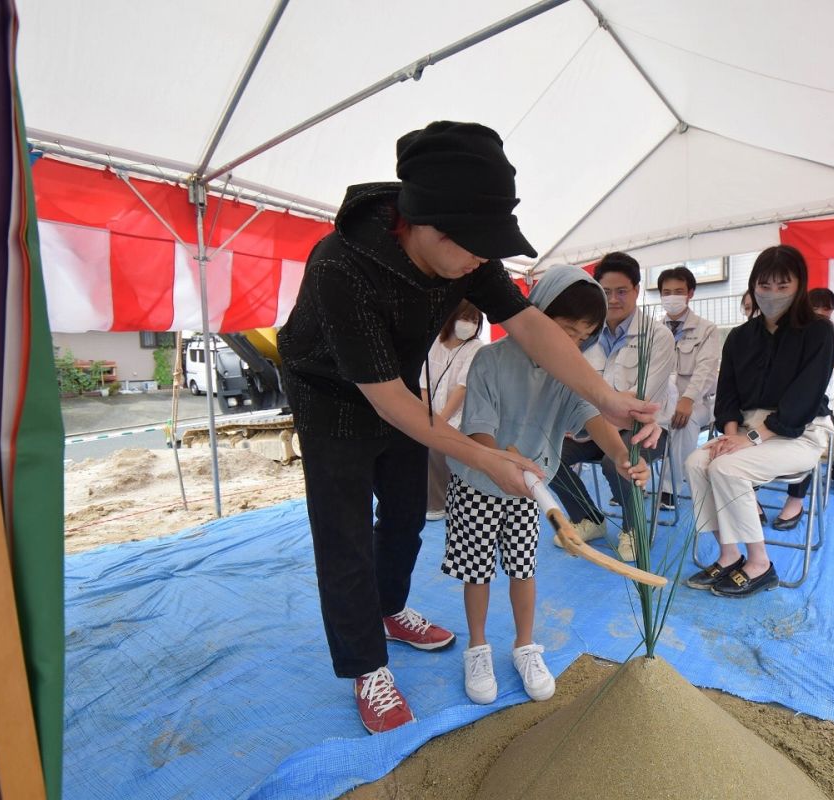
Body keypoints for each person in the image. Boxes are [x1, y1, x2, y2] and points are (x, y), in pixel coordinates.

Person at [277, 121, 659, 735]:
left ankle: (391, 607)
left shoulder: (465, 253)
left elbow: (531, 325)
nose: (484, 260)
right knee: (343, 530)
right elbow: (390, 404)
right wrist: (486, 459)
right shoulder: (341, 267)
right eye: (476, 246)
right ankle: (365, 665)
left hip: (399, 386)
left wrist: (607, 396)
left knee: (403, 512)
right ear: (423, 224)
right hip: (332, 399)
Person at [443, 266, 653, 705]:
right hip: (478, 483)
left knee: (524, 568)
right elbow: (479, 430)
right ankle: (477, 647)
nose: (571, 346)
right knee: (476, 571)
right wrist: (502, 459)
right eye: (563, 332)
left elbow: (590, 415)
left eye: (582, 337)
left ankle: (525, 645)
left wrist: (618, 454)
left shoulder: (569, 370)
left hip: (528, 488)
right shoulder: (491, 360)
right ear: (533, 315)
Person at [683, 245, 834, 598]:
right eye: (764, 286)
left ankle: (760, 564)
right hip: (747, 430)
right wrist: (731, 434)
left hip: (800, 433)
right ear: (753, 286)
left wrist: (749, 439)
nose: (772, 295)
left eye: (783, 287)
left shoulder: (818, 333)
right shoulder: (739, 337)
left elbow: (804, 400)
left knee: (727, 469)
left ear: (800, 286)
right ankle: (729, 554)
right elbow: (728, 396)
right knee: (696, 462)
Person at [548, 252, 675, 562]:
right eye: (606, 292)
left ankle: (634, 528)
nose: (614, 300)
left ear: (637, 290)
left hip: (643, 431)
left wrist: (587, 419)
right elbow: (570, 385)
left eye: (622, 291)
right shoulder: (587, 331)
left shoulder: (657, 336)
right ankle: (589, 517)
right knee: (547, 454)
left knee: (614, 461)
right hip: (587, 428)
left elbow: (641, 399)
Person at [772, 287, 834, 530]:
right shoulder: (789, 334)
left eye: (825, 307)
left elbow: (833, 373)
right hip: (784, 399)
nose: (820, 311)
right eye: (815, 306)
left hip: (819, 401)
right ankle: (750, 497)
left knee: (806, 437)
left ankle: (796, 499)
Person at [656, 266, 719, 510]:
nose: (672, 297)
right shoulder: (653, 331)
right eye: (666, 292)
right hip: (661, 401)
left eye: (678, 291)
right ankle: (625, 482)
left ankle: (670, 488)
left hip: (699, 403)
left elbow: (705, 369)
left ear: (690, 293)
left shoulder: (706, 329)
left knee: (684, 419)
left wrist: (688, 399)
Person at [421, 300, 484, 521]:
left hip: (460, 417)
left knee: (435, 445)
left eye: (475, 321)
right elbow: (424, 384)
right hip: (431, 413)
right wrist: (425, 415)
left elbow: (462, 388)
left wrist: (438, 421)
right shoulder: (434, 343)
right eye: (465, 318)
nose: (470, 325)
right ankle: (430, 499)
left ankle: (438, 503)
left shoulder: (476, 348)